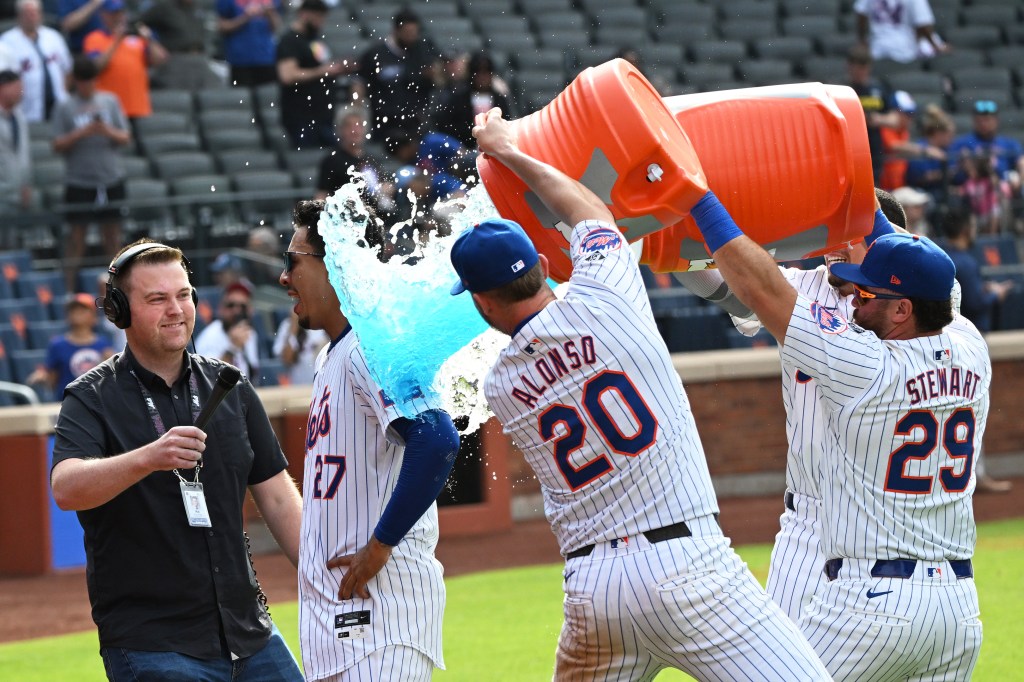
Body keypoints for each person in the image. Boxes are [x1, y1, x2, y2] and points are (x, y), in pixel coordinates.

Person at [449, 108, 831, 680]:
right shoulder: (608, 294)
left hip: (594, 593)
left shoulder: (501, 383)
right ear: (540, 265)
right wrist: (507, 149)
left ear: (481, 301)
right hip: (688, 568)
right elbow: (589, 210)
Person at [688, 185, 988, 680]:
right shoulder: (967, 341)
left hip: (870, 594)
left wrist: (696, 197)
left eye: (867, 293)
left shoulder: (865, 364)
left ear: (901, 309)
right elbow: (931, 280)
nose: (855, 302)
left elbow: (759, 288)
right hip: (955, 604)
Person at [50, 239, 303, 680]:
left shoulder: (233, 388)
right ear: (119, 311)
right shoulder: (90, 397)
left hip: (248, 633)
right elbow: (67, 487)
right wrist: (148, 458)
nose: (176, 309)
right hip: (152, 644)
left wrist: (329, 580)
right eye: (157, 299)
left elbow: (279, 499)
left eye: (183, 295)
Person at [280, 200, 459, 680]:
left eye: (292, 260)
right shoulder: (332, 356)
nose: (283, 277)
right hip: (346, 625)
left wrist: (380, 545)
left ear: (335, 263)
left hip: (380, 620)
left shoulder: (372, 347)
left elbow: (438, 439)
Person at [51, 55, 130, 292]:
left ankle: (118, 287)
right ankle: (68, 290)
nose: (87, 86)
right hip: (79, 181)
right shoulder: (64, 106)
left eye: (90, 81)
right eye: (82, 81)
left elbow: (125, 137)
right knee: (76, 239)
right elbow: (56, 145)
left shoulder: (110, 101)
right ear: (76, 81)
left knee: (112, 236)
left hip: (110, 177)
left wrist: (105, 130)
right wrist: (81, 133)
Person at [354, 8, 442, 143]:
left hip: (416, 120)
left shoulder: (423, 50)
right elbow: (360, 82)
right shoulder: (376, 53)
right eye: (407, 33)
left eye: (414, 33)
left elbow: (438, 76)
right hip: (385, 121)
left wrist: (434, 74)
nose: (411, 37)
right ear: (396, 31)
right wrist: (357, 108)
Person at [275, 0, 348, 149]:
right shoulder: (290, 40)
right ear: (304, 15)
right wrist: (322, 72)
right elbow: (287, 75)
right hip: (302, 116)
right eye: (317, 17)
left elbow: (321, 63)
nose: (321, 22)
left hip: (323, 115)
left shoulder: (315, 39)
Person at [83, 0, 168, 120]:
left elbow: (160, 59)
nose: (118, 17)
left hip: (138, 107)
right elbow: (96, 67)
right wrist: (117, 39)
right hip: (109, 109)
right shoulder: (94, 38)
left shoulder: (137, 39)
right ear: (103, 14)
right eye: (113, 13)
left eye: (120, 12)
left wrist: (149, 39)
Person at [27, 292, 114, 401]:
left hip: (97, 402)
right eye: (73, 310)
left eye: (83, 310)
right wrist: (43, 377)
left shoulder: (103, 344)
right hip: (68, 402)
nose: (77, 313)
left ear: (94, 317)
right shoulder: (57, 345)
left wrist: (110, 363)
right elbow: (53, 381)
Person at [0, 0, 72, 123]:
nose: (31, 17)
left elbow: (67, 71)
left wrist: (62, 91)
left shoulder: (54, 37)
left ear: (41, 15)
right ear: (19, 16)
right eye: (27, 13)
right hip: (26, 111)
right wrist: (20, 97)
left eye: (34, 13)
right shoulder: (7, 42)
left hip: (58, 106)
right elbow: (6, 80)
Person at [431, 51, 513, 148]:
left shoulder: (499, 100)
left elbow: (506, 125)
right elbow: (446, 127)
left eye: (486, 72)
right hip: (464, 148)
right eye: (478, 72)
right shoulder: (459, 99)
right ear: (472, 74)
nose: (482, 77)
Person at [140, 0, 221, 90]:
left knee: (214, 92)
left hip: (200, 59)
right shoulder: (164, 7)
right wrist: (151, 43)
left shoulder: (197, 8)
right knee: (177, 99)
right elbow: (137, 24)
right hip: (176, 61)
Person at [314, 104, 388, 202]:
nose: (354, 131)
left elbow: (384, 186)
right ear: (340, 130)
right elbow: (321, 195)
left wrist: (387, 189)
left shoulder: (371, 159)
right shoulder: (331, 161)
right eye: (349, 126)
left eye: (359, 125)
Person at [846, 44, 894, 185]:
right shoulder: (841, 89)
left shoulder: (878, 88)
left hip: (874, 150)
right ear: (849, 66)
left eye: (864, 67)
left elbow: (895, 119)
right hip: (850, 148)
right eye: (857, 67)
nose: (860, 72)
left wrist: (879, 119)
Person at [194, 280, 260, 382]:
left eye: (243, 306)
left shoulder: (250, 334)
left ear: (250, 311)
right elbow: (209, 379)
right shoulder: (209, 337)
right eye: (231, 305)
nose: (237, 311)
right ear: (221, 309)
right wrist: (232, 348)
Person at [854, 0, 947, 63]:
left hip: (877, 51)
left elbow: (861, 14)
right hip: (905, 53)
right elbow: (923, 24)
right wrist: (936, 47)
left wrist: (862, 40)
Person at [216, 0, 281, 87]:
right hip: (240, 61)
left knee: (268, 97)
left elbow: (276, 27)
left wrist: (270, 14)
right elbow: (222, 27)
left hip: (266, 58)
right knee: (242, 98)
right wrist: (245, 17)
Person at [0, 60, 32, 217]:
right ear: (3, 88)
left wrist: (25, 184)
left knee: (12, 241)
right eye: (17, 88)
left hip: (16, 194)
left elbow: (23, 155)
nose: (21, 93)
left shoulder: (19, 117)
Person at [271, 310, 327, 385]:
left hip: (320, 383)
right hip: (297, 385)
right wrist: (294, 326)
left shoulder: (321, 322)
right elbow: (287, 359)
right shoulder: (287, 324)